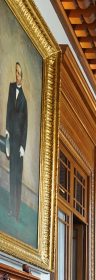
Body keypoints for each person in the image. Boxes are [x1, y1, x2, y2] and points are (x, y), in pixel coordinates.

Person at [5, 62, 28, 221]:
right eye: (16, 72)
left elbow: (25, 126)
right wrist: (7, 131)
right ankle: (11, 209)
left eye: (19, 73)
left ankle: (17, 212)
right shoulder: (11, 88)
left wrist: (23, 147)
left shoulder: (24, 100)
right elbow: (8, 109)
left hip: (19, 144)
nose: (17, 75)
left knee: (17, 179)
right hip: (11, 140)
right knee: (11, 175)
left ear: (23, 77)